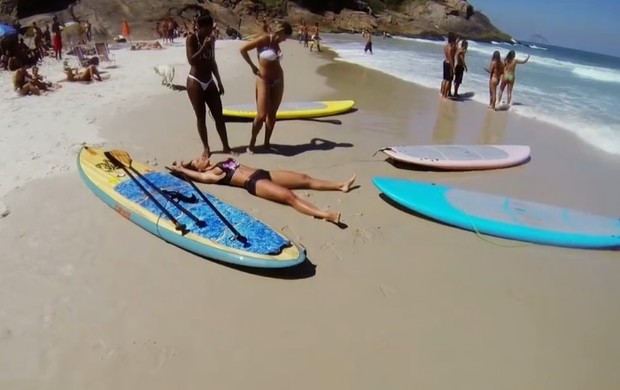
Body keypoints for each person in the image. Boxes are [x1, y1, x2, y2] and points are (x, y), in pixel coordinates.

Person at [169, 158, 356, 224]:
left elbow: (205, 152)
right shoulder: (211, 174)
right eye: (197, 161)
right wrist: (182, 169)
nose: (201, 158)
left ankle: (340, 185)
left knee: (304, 178)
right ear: (199, 168)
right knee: (290, 197)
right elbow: (200, 178)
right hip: (254, 183)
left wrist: (185, 165)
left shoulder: (218, 162)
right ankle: (325, 214)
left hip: (264, 173)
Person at [239, 20, 293, 154]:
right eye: (285, 36)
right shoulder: (264, 39)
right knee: (261, 114)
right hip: (263, 79)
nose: (285, 40)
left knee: (272, 115)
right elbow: (243, 49)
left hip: (278, 80)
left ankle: (267, 143)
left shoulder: (277, 43)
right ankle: (252, 143)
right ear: (281, 32)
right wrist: (252, 66)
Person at [186, 13, 234, 161]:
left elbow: (212, 61)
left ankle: (226, 146)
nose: (210, 32)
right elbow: (191, 60)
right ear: (199, 27)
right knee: (201, 117)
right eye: (207, 29)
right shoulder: (191, 39)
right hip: (195, 82)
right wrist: (204, 47)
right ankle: (206, 147)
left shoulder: (211, 39)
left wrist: (219, 80)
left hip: (209, 80)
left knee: (219, 115)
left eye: (211, 29)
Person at [440, 32, 457, 98]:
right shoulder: (450, 47)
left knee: (444, 79)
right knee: (448, 80)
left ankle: (442, 92)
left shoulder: (446, 46)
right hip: (449, 63)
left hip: (445, 62)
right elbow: (450, 58)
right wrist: (453, 68)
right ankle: (445, 94)